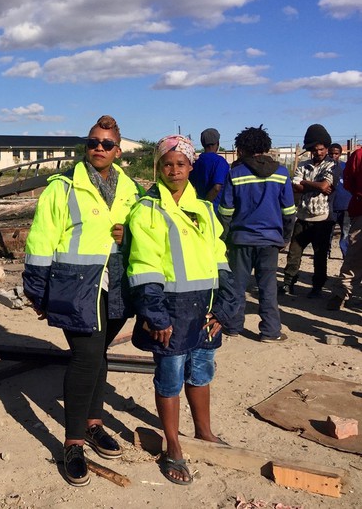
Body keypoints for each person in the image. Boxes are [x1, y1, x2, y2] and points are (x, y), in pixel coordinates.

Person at [22, 115, 143, 487]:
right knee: (86, 356)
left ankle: (94, 424)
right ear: (86, 146)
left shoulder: (130, 189)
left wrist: (128, 232)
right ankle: (72, 442)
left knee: (99, 354)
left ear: (118, 150)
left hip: (117, 284)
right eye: (93, 143)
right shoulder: (62, 188)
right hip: (74, 287)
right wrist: (37, 290)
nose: (99, 149)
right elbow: (41, 240)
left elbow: (143, 230)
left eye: (107, 144)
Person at [127, 135, 237, 486]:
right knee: (171, 376)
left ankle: (203, 431)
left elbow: (219, 256)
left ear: (192, 167)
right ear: (158, 168)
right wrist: (156, 314)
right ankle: (173, 444)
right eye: (167, 164)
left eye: (181, 164)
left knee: (202, 370)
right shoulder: (147, 210)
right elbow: (144, 265)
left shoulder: (205, 209)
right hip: (171, 309)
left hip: (204, 308)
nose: (174, 170)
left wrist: (224, 305)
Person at [218, 126, 296, 342]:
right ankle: (270, 331)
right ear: (266, 147)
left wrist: (222, 239)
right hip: (270, 241)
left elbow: (225, 212)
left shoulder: (235, 174)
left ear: (241, 149)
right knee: (267, 287)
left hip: (240, 241)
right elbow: (289, 212)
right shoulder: (281, 174)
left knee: (237, 286)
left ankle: (233, 326)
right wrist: (285, 237)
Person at [279, 124, 339, 298]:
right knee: (294, 253)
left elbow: (326, 185)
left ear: (326, 148)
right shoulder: (303, 165)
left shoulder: (332, 166)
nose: (318, 153)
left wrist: (305, 183)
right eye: (315, 149)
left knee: (319, 256)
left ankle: (317, 287)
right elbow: (295, 186)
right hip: (303, 216)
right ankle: (288, 283)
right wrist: (314, 185)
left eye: (321, 149)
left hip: (323, 218)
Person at [327, 144, 362, 310]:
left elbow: (349, 184)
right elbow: (349, 183)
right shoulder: (358, 156)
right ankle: (342, 293)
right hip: (360, 210)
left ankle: (343, 293)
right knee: (354, 252)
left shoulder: (357, 155)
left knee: (355, 253)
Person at [190, 128, 230, 210]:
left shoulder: (196, 162)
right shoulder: (220, 162)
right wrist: (206, 205)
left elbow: (190, 184)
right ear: (217, 143)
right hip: (215, 209)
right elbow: (216, 187)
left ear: (202, 144)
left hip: (199, 205)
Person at [328, 143, 351, 257]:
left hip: (345, 206)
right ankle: (325, 252)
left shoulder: (346, 167)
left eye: (336, 154)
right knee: (327, 232)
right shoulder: (324, 168)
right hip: (329, 207)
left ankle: (345, 254)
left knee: (345, 233)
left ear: (340, 154)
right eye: (331, 153)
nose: (333, 156)